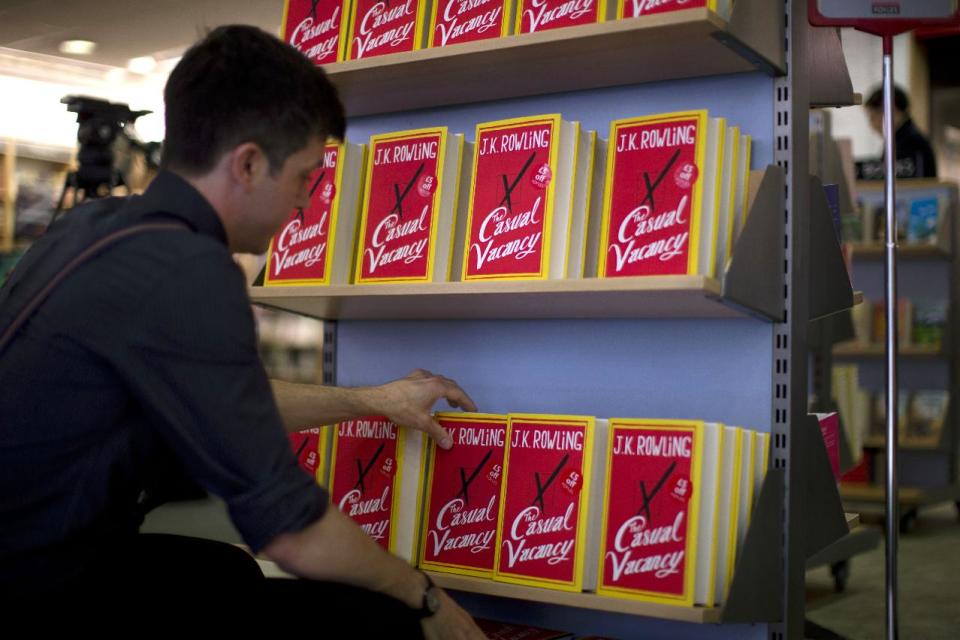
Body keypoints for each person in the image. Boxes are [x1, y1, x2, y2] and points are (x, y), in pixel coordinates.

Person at [0, 25, 485, 637]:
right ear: (249, 164)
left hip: (36, 553)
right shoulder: (190, 271)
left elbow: (229, 400)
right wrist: (427, 598)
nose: (308, 202)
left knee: (226, 573)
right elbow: (290, 530)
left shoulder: (92, 226)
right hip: (39, 584)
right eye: (306, 175)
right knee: (381, 616)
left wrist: (372, 401)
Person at [857, 84, 937, 180]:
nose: (872, 124)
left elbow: (906, 174)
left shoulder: (912, 142)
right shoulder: (900, 139)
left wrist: (856, 170)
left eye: (873, 116)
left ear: (892, 109)